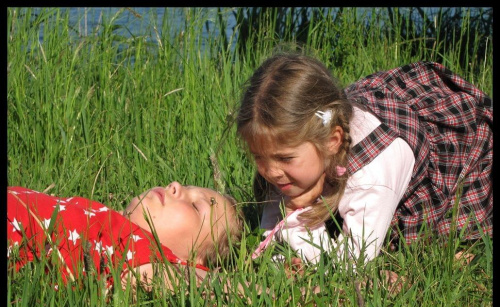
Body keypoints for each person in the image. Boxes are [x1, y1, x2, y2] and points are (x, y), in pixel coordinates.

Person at [236, 53, 492, 270]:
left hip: (463, 159)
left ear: (332, 142)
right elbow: (270, 227)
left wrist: (296, 225)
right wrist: (278, 247)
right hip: (378, 124)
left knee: (435, 247)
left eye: (284, 158)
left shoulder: (370, 178)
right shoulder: (291, 146)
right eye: (258, 156)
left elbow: (354, 262)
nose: (270, 171)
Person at [7, 182, 244, 292]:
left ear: (193, 261)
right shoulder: (108, 222)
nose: (175, 186)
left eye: (195, 206)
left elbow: (228, 289)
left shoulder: (146, 260)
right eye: (187, 186)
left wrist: (277, 289)